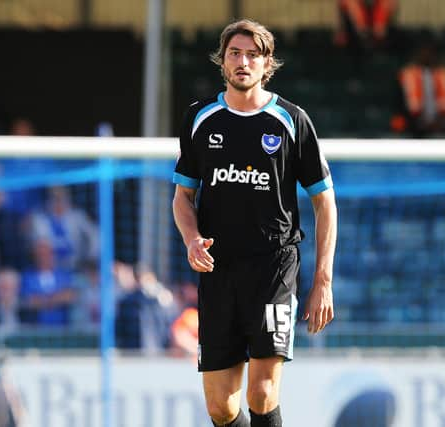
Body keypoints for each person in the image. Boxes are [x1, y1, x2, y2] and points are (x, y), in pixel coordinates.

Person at [171, 20, 337, 427]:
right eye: (235, 53)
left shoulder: (291, 121)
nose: (243, 62)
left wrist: (322, 281)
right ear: (222, 61)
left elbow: (325, 202)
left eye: (252, 55)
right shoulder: (200, 119)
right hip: (218, 271)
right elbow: (183, 197)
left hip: (273, 267)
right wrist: (192, 239)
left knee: (262, 393)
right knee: (220, 407)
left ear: (267, 65)